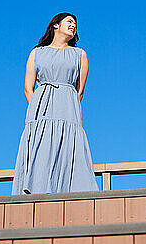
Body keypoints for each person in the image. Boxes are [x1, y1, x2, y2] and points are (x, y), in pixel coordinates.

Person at [11, 12, 99, 194]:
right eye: (69, 21)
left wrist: (65, 105)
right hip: (41, 107)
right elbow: (28, 88)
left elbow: (79, 90)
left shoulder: (79, 54)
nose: (73, 25)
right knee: (41, 145)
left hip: (68, 106)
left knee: (67, 144)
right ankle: (36, 186)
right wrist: (38, 108)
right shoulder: (37, 53)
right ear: (55, 25)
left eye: (75, 23)